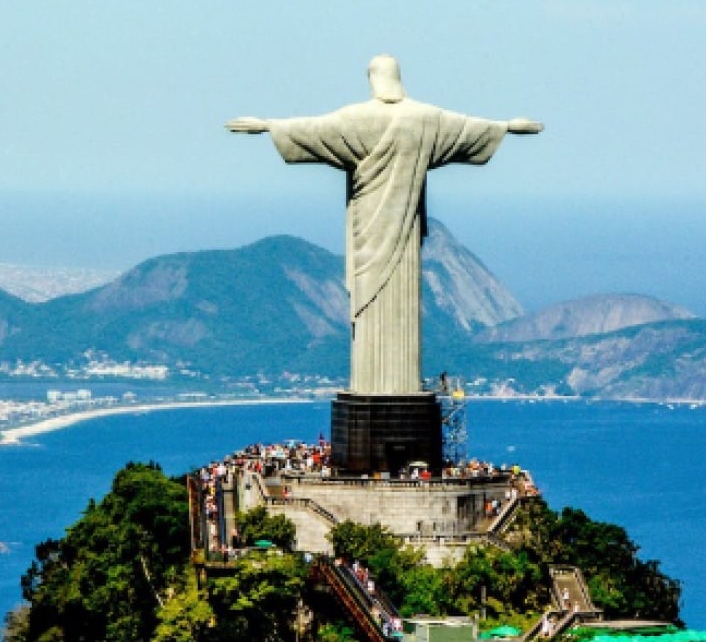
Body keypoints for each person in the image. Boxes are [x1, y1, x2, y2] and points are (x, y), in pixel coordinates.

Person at [227, 55, 541, 394]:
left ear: (373, 79)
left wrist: (268, 126)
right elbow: (467, 129)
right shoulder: (425, 118)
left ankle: (372, 386)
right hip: (404, 234)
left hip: (368, 233)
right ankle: (397, 386)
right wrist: (506, 127)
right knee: (395, 306)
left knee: (368, 306)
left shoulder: (356, 119)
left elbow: (312, 130)